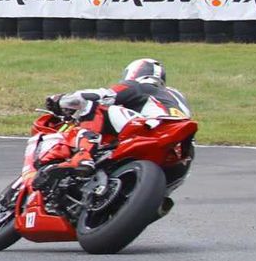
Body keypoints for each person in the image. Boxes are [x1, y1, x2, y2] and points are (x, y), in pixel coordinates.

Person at [34, 59, 191, 190]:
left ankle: (83, 155)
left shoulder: (139, 86)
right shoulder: (177, 97)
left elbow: (100, 96)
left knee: (94, 106)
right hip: (181, 156)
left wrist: (62, 100)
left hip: (153, 127)